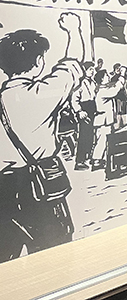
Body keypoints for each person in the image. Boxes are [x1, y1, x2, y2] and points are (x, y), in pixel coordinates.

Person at [0, 13, 85, 263]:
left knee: (7, 260)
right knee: (55, 255)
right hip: (39, 189)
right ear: (38, 62)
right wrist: (73, 29)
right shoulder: (42, 93)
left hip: (4, 188)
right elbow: (72, 63)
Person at [72, 61, 97, 171]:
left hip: (92, 109)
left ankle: (88, 158)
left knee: (91, 135)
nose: (92, 71)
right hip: (84, 109)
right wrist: (79, 111)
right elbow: (74, 99)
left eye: (93, 69)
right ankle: (79, 161)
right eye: (90, 69)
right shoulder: (80, 83)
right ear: (85, 70)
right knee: (83, 136)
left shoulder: (93, 82)